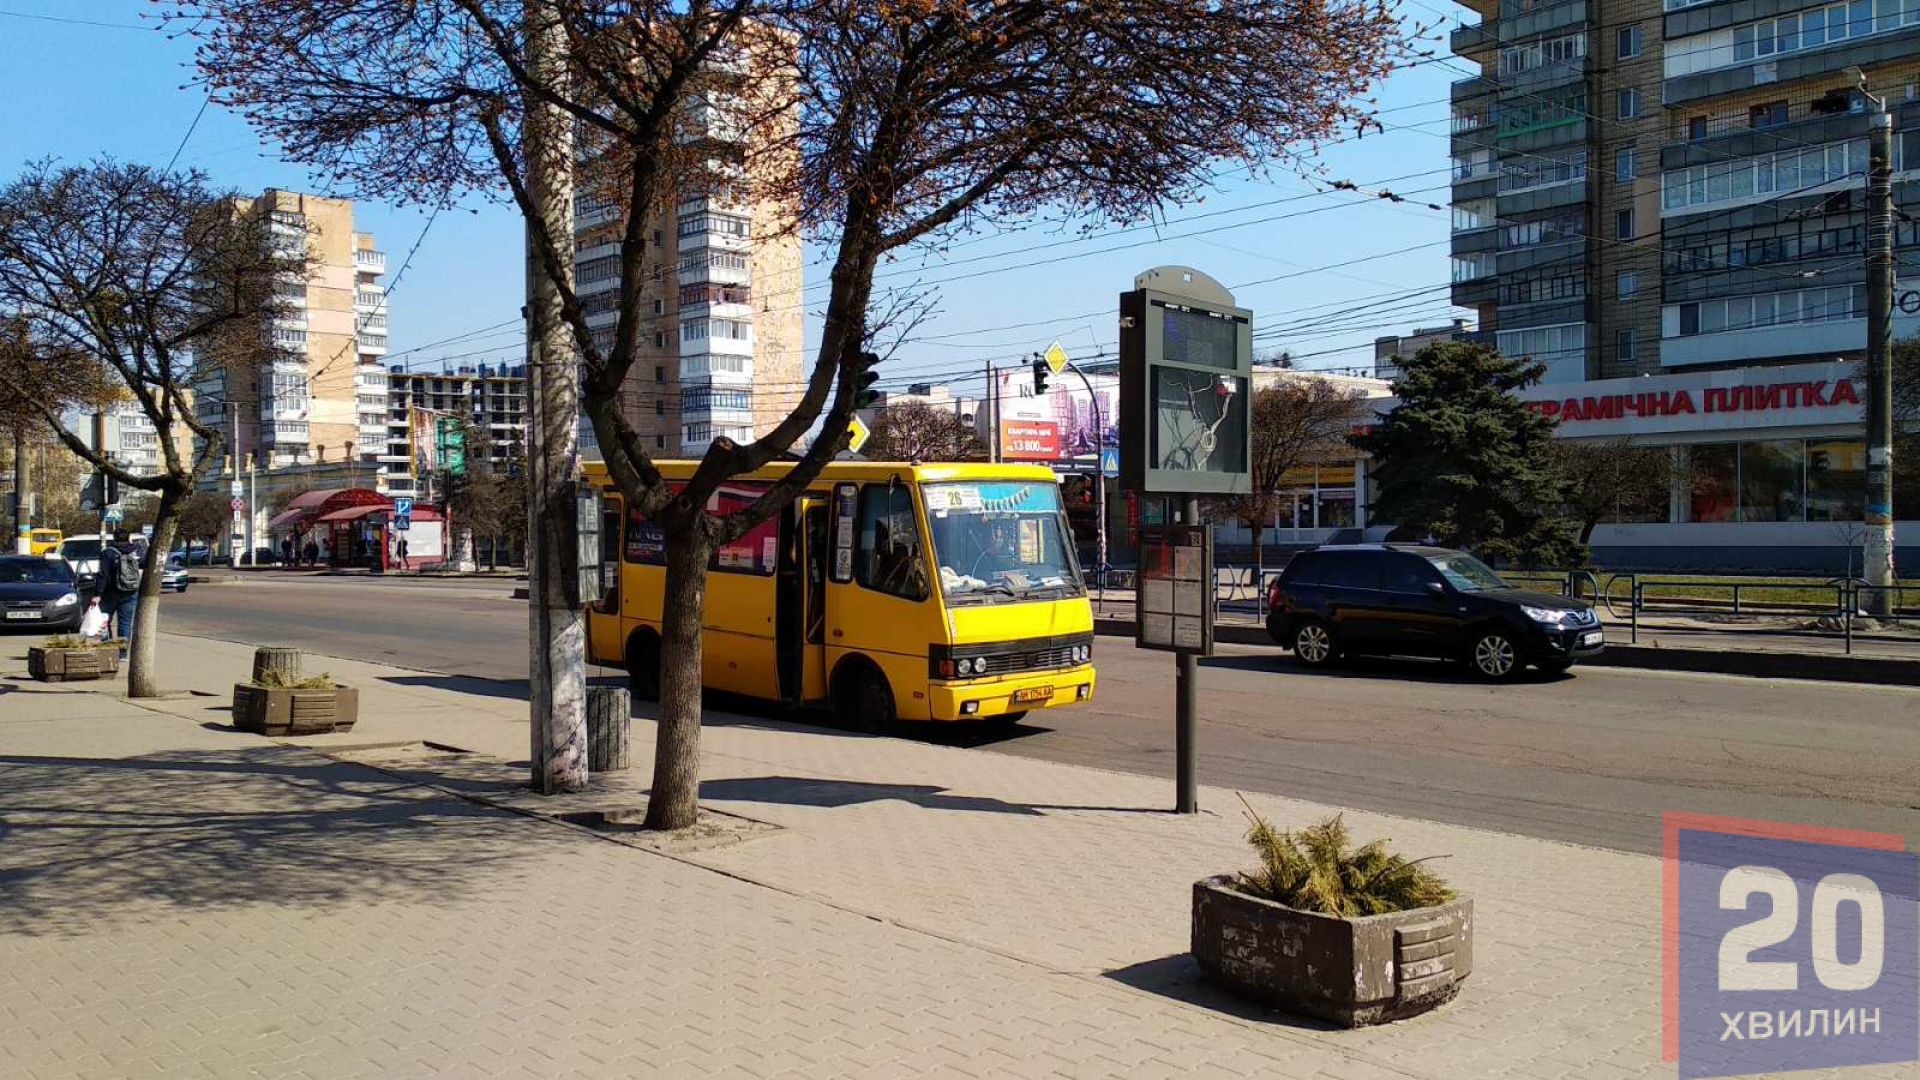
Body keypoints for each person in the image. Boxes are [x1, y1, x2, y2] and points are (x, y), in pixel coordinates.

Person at [96, 532, 142, 651]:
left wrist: (98, 594)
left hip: (110, 592)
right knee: (125, 624)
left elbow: (102, 574)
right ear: (128, 538)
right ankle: (122, 654)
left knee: (103, 621)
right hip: (131, 591)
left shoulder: (108, 553)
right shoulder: (136, 551)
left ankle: (108, 650)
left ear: (114, 538)